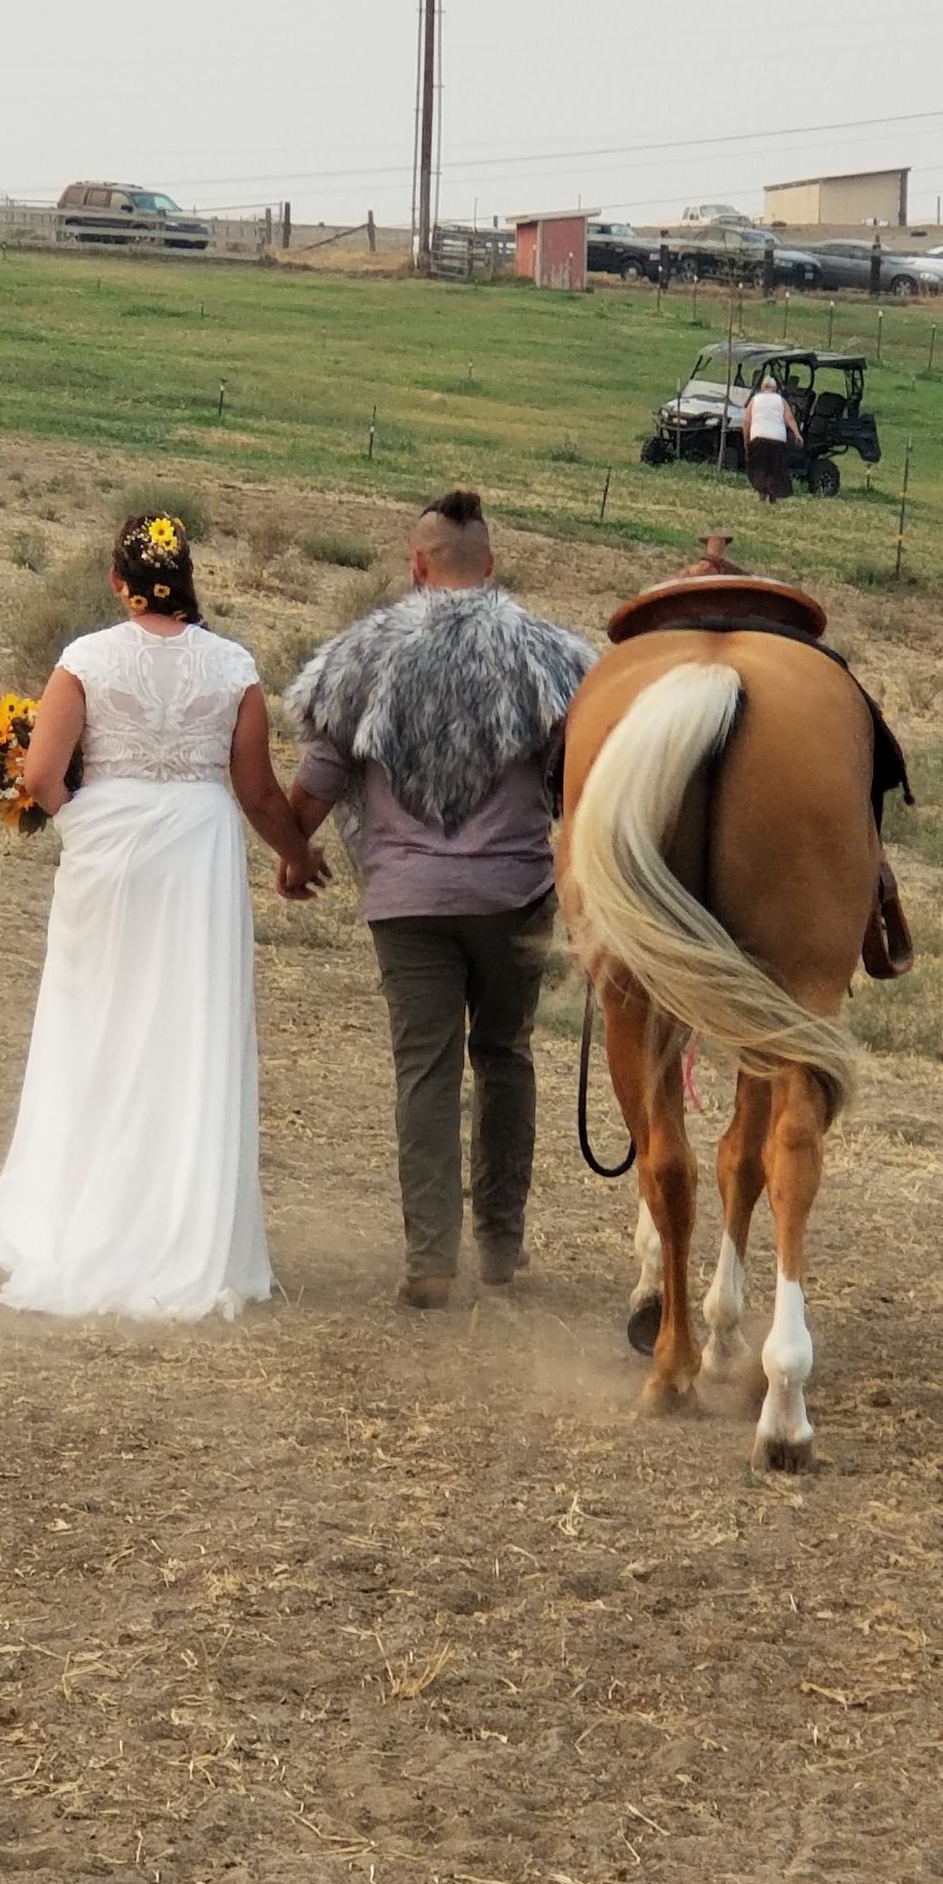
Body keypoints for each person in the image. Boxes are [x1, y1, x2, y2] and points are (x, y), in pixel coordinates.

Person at [0, 511, 327, 1322]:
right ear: (188, 577)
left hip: (110, 850)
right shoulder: (233, 667)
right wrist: (297, 853)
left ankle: (71, 1212)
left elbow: (45, 774)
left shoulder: (86, 660)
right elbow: (258, 792)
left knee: (95, 1020)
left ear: (118, 583)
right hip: (198, 848)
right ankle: (184, 1224)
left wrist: (81, 822)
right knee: (188, 1026)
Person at [286, 491, 594, 1308]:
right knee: (505, 1055)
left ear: (415, 565)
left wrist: (291, 848)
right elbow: (581, 779)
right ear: (490, 567)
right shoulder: (552, 657)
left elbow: (318, 782)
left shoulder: (360, 656)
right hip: (514, 893)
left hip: (407, 901)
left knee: (423, 1070)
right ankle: (499, 1246)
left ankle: (430, 1258)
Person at [741, 368, 801, 502]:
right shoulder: (781, 401)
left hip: (758, 437)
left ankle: (762, 492)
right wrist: (797, 434)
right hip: (777, 439)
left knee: (759, 467)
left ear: (762, 387)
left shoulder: (755, 400)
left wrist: (746, 441)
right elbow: (790, 419)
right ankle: (773, 496)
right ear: (775, 388)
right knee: (775, 468)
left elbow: (746, 422)